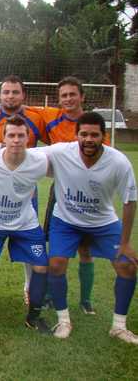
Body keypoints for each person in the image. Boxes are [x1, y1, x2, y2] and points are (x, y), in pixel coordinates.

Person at [43, 112, 138, 343]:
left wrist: (124, 242)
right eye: (83, 134)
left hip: (103, 222)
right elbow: (24, 152)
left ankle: (118, 327)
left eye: (94, 135)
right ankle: (63, 320)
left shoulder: (118, 162)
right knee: (55, 264)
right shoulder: (61, 152)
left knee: (127, 267)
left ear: (104, 136)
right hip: (66, 221)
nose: (88, 139)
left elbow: (129, 201)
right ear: (76, 135)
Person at [28, 77, 109, 315]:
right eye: (63, 96)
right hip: (61, 189)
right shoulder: (52, 116)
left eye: (73, 95)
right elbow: (23, 108)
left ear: (82, 96)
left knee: (86, 249)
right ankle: (52, 295)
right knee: (56, 245)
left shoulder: (93, 124)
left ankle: (85, 299)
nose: (68, 99)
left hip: (88, 192)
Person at [0, 115, 52, 334]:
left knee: (42, 266)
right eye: (11, 135)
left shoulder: (40, 160)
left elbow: (69, 153)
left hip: (25, 223)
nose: (16, 140)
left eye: (21, 135)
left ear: (28, 138)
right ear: (4, 139)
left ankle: (33, 318)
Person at [0, 75, 49, 303]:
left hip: (28, 194)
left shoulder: (35, 118)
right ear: (0, 95)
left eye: (15, 92)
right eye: (6, 92)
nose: (10, 96)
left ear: (23, 95)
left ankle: (28, 288)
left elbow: (49, 144)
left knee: (30, 241)